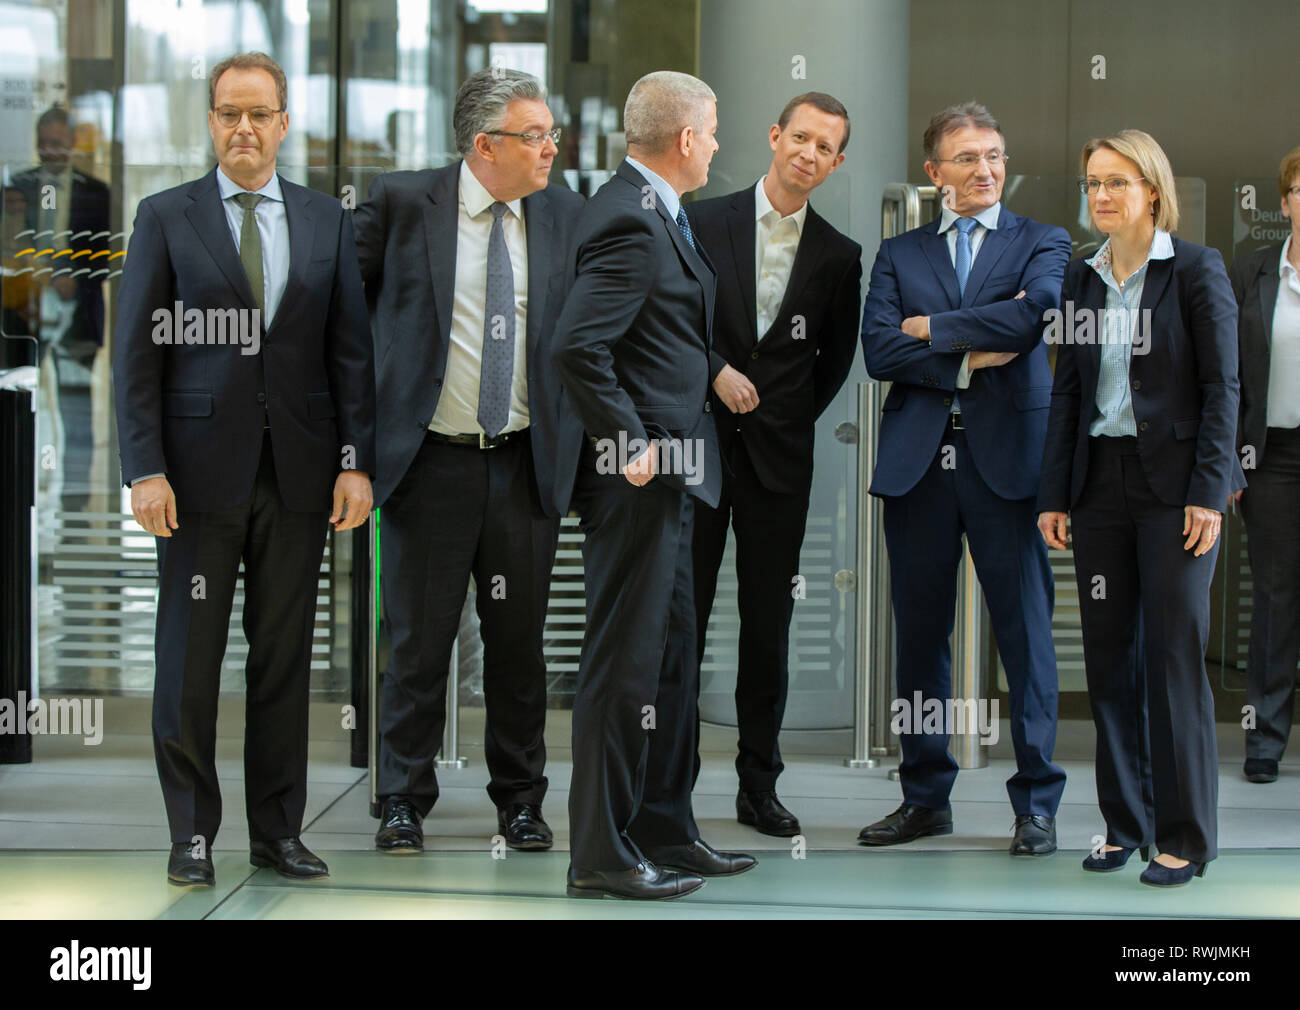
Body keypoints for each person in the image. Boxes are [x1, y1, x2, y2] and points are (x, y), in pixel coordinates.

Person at [113, 52, 376, 886]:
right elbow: (135, 359)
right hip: (193, 482)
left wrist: (355, 465)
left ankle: (278, 833)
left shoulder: (324, 221)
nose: (244, 128)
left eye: (260, 113)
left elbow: (351, 359)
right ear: (213, 122)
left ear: (285, 123)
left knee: (283, 661)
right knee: (188, 660)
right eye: (230, 113)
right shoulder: (165, 216)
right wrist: (144, 469)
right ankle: (191, 833)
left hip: (298, 479)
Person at [353, 68, 585, 854]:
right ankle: (400, 799)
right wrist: (355, 448)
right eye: (536, 136)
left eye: (552, 132)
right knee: (417, 641)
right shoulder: (399, 203)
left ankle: (520, 800)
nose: (553, 147)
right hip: (428, 464)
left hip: (522, 465)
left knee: (519, 646)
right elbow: (348, 328)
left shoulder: (563, 215)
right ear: (485, 146)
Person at [552, 70, 755, 900]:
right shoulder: (631, 222)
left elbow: (658, 335)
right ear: (684, 139)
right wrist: (629, 441)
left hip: (677, 478)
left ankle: (664, 828)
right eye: (711, 132)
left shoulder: (654, 212)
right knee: (624, 669)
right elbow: (577, 346)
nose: (715, 145)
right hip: (639, 480)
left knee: (669, 665)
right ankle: (599, 855)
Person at [859, 101, 1069, 856]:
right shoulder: (899, 254)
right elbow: (879, 351)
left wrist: (934, 331)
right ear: (934, 172)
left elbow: (1037, 315)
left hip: (1009, 463)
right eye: (968, 158)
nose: (986, 170)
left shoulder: (1043, 241)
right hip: (919, 468)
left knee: (1026, 636)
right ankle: (925, 798)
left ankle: (1036, 803)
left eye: (996, 156)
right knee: (920, 637)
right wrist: (971, 352)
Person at [1037, 129, 1243, 886]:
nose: (1101, 195)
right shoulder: (1079, 280)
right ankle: (1124, 823)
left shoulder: (1195, 270)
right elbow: (1065, 392)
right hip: (1098, 489)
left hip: (1176, 492)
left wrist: (1210, 493)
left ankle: (1184, 836)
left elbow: (1225, 388)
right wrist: (1053, 494)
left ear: (1151, 190)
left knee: (1173, 659)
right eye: (1093, 182)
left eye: (1116, 182)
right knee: (1107, 662)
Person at [686, 92, 862, 837]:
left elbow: (833, 364)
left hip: (778, 467)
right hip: (694, 452)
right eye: (801, 137)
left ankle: (758, 784)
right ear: (773, 136)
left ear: (836, 162)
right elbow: (665, 321)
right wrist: (714, 373)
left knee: (768, 629)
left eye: (826, 147)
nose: (809, 154)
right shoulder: (698, 221)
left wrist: (781, 420)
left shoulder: (839, 255)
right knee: (680, 621)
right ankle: (666, 785)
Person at [1229, 145, 1300, 786]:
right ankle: (1265, 742)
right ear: (1284, 203)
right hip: (1271, 456)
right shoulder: (1252, 271)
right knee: (1274, 600)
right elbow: (1225, 374)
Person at [10, 105, 111, 509]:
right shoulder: (16, 186)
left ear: (72, 144)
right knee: (21, 407)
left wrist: (76, 279)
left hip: (77, 319)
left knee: (76, 418)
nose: (51, 151)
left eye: (58, 143)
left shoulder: (95, 192)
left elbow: (106, 257)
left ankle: (76, 507)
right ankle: (19, 498)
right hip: (25, 315)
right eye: (44, 144)